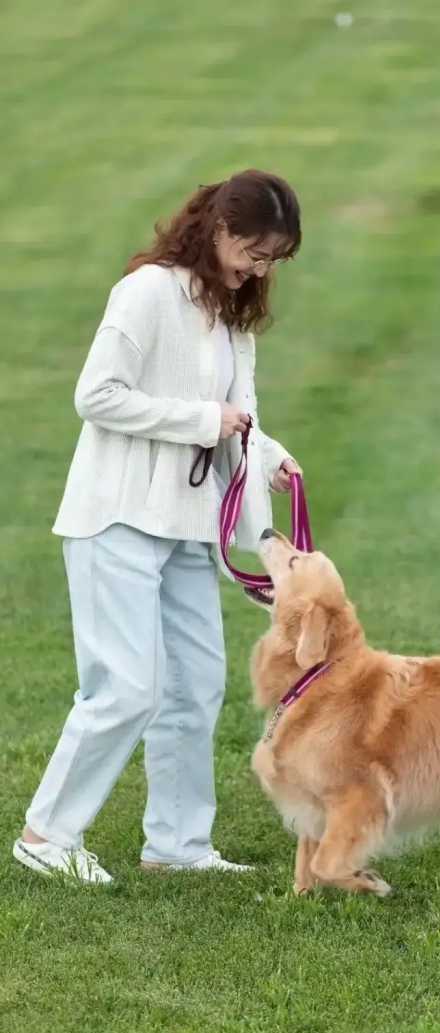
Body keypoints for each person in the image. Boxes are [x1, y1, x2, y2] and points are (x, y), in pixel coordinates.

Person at [12, 169, 302, 883]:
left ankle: (177, 846)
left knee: (197, 683)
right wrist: (202, 422)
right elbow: (97, 395)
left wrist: (267, 480)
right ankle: (46, 835)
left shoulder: (233, 318)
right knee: (126, 687)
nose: (259, 271)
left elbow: (242, 419)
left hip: (186, 526)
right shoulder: (146, 292)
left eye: (272, 261)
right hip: (115, 516)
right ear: (222, 230)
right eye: (255, 253)